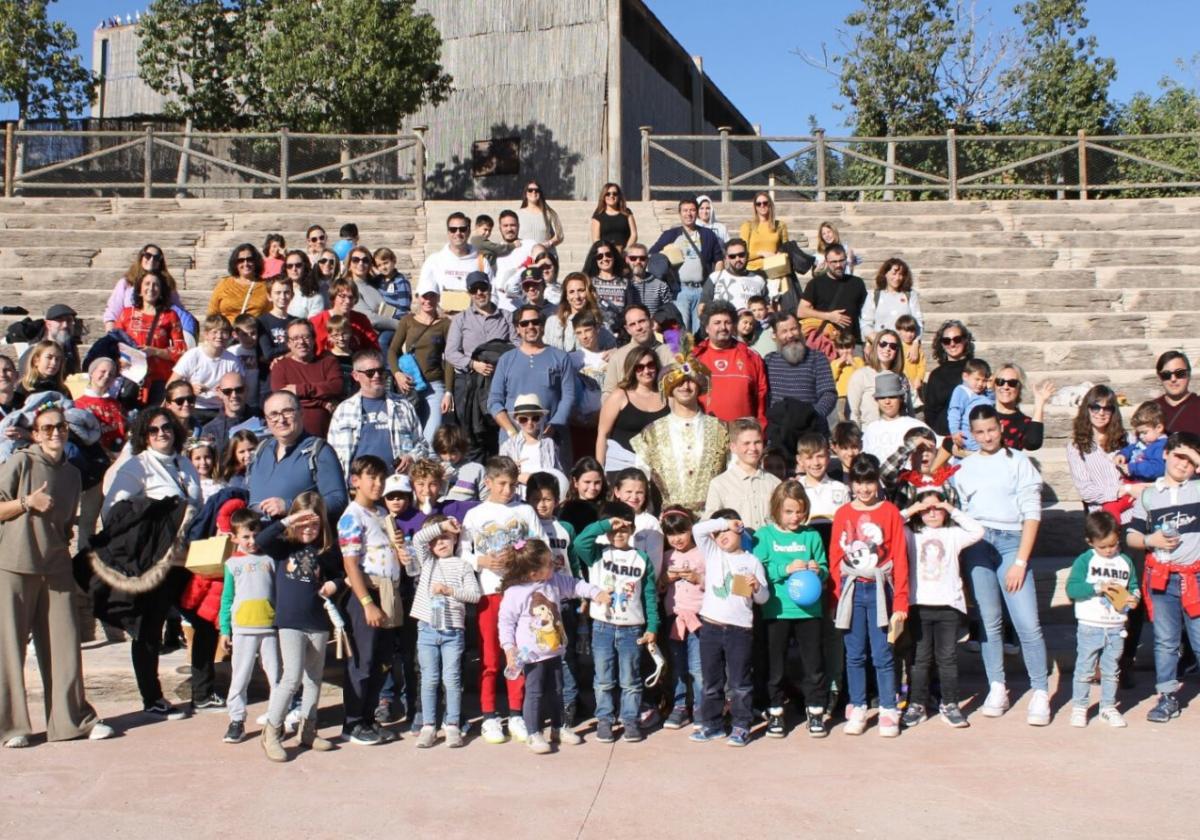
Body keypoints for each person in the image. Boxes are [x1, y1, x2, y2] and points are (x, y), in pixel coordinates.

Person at [0, 403, 113, 748]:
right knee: (9, 648)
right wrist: (25, 504)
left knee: (65, 645)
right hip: (14, 564)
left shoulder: (73, 474)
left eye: (60, 426)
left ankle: (72, 721)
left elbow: (66, 523)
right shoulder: (22, 461)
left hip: (56, 565)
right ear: (35, 434)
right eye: (47, 428)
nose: (55, 433)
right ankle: (12, 727)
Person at [101, 408, 203, 720]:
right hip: (154, 561)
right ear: (144, 436)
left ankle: (204, 688)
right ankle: (152, 696)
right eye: (154, 430)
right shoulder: (137, 466)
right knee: (149, 628)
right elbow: (112, 510)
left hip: (187, 558)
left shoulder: (184, 463)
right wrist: (163, 515)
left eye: (167, 428)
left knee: (203, 620)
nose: (162, 434)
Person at [952, 405, 1050, 725]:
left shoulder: (1019, 463)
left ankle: (1039, 690)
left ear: (1000, 428)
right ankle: (997, 685)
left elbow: (1032, 513)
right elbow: (960, 511)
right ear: (971, 433)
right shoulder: (964, 468)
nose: (986, 437)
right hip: (978, 545)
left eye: (991, 429)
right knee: (989, 621)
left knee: (1026, 622)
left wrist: (1021, 561)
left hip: (1011, 542)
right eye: (979, 432)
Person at [499, 538, 607, 753]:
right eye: (548, 563)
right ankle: (533, 732)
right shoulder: (515, 593)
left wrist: (596, 592)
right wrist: (509, 649)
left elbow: (576, 585)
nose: (554, 565)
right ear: (533, 573)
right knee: (535, 692)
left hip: (555, 650)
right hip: (530, 656)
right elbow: (505, 623)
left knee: (558, 690)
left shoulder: (554, 582)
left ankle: (558, 727)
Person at [461, 456, 541, 745]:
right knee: (491, 657)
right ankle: (489, 715)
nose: (508, 490)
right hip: (489, 594)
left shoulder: (525, 511)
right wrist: (481, 559)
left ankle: (517, 712)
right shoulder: (475, 515)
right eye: (502, 484)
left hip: (520, 594)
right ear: (488, 483)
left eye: (512, 484)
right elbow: (460, 552)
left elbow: (539, 544)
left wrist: (519, 555)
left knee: (517, 654)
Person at [256, 492, 341, 757]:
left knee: (314, 679)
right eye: (303, 524)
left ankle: (308, 730)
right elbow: (262, 539)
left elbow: (340, 573)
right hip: (290, 622)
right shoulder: (284, 546)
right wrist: (289, 520)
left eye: (314, 524)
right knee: (291, 677)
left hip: (316, 622)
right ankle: (272, 730)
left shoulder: (326, 550)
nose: (308, 530)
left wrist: (334, 584)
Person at [830, 454, 909, 737]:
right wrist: (838, 595)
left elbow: (899, 557)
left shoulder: (889, 512)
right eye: (858, 482)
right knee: (854, 654)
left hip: (880, 590)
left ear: (877, 482)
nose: (864, 489)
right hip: (852, 591)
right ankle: (858, 705)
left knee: (883, 653)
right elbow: (835, 557)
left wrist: (900, 600)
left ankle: (889, 708)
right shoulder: (842, 514)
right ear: (851, 483)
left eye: (869, 482)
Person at [898, 476, 984, 729]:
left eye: (937, 508)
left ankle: (950, 703)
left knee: (947, 658)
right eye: (927, 509)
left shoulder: (954, 534)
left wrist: (951, 509)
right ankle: (917, 703)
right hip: (920, 605)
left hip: (948, 606)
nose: (932, 513)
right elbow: (890, 524)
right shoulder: (911, 534)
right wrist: (912, 510)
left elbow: (978, 531)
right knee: (920, 659)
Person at [1126, 433, 1200, 723]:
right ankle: (1167, 696)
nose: (1184, 463)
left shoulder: (1197, 490)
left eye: (1192, 459)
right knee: (1165, 640)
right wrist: (1150, 538)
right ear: (1166, 454)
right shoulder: (1149, 495)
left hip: (1195, 575)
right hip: (1162, 578)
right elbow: (1131, 536)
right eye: (1180, 455)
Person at [573, 503, 659, 744]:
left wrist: (652, 626)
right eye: (614, 528)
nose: (618, 533)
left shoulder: (641, 558)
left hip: (632, 628)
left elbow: (649, 595)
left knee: (630, 678)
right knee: (603, 677)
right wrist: (605, 524)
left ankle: (630, 719)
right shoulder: (598, 553)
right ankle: (605, 719)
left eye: (624, 528)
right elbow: (580, 543)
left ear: (632, 529)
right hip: (602, 626)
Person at [754, 481, 829, 739]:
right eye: (788, 511)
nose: (795, 517)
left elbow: (824, 567)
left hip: (809, 612)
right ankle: (775, 711)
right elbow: (758, 572)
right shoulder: (765, 536)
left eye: (799, 511)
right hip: (777, 610)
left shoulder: (811, 536)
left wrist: (819, 571)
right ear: (776, 510)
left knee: (814, 664)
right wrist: (785, 570)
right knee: (776, 665)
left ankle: (816, 709)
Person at [338, 455, 404, 745]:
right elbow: (350, 563)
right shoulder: (352, 516)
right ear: (355, 482)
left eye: (381, 478)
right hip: (368, 592)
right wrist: (367, 602)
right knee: (362, 661)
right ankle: (352, 722)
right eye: (371, 478)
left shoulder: (380, 513)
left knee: (382, 660)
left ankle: (368, 717)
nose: (378, 484)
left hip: (389, 591)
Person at [689, 511, 768, 747]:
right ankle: (712, 725)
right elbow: (697, 530)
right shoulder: (713, 553)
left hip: (739, 630)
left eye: (727, 531)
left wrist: (756, 587)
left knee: (739, 683)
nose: (721, 535)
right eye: (718, 532)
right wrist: (724, 523)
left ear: (739, 530)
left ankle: (741, 726)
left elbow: (763, 598)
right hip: (711, 628)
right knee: (711, 681)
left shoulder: (751, 561)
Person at [410, 515, 482, 749]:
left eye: (446, 538)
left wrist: (450, 590)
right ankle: (428, 726)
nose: (440, 543)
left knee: (451, 679)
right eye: (436, 539)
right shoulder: (428, 561)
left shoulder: (463, 565)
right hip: (427, 629)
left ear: (455, 539)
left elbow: (475, 595)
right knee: (429, 679)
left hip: (453, 631)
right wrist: (441, 526)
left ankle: (451, 724)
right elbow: (419, 540)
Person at [1065, 510, 1140, 729]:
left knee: (1111, 669)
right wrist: (1098, 587)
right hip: (1091, 624)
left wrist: (1134, 598)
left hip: (1117, 626)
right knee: (1085, 668)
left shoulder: (1125, 561)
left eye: (1113, 545)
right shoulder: (1085, 560)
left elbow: (1134, 586)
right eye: (1103, 546)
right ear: (1090, 542)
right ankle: (1080, 707)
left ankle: (1108, 707)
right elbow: (1072, 589)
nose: (1109, 550)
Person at [632, 352, 729, 515]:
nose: (685, 387)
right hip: (670, 524)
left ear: (699, 386)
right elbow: (641, 480)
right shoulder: (652, 432)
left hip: (712, 519)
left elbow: (732, 475)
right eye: (679, 382)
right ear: (670, 387)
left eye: (691, 382)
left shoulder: (721, 428)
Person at [218, 509, 281, 748]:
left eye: (255, 535)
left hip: (269, 627)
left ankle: (276, 718)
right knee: (240, 677)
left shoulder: (270, 560)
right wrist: (225, 629)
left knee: (275, 676)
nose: (252, 541)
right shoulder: (232, 564)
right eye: (245, 537)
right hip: (243, 629)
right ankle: (236, 719)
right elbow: (227, 598)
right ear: (235, 538)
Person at [247, 391, 347, 522]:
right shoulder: (261, 450)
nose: (281, 420)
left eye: (287, 411)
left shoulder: (319, 451)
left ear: (301, 413)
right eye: (273, 414)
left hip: (298, 538)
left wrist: (290, 506)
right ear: (266, 419)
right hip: (257, 538)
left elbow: (337, 501)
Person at [328, 349, 429, 480]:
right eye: (370, 373)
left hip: (396, 489)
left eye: (380, 371)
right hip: (358, 491)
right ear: (355, 376)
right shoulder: (343, 411)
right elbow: (333, 457)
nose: (376, 375)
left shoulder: (403, 406)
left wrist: (412, 457)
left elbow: (422, 445)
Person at [488, 305, 576, 447]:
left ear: (542, 326)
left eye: (535, 322)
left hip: (552, 439)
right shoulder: (506, 359)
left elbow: (569, 397)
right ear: (517, 328)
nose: (530, 326)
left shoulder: (561, 357)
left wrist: (553, 426)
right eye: (524, 323)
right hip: (513, 441)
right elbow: (494, 401)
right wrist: (512, 432)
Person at [649, 198, 724, 335]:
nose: (689, 214)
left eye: (692, 210)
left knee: (700, 332)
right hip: (679, 291)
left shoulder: (707, 234)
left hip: (702, 290)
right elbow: (653, 254)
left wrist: (714, 282)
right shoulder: (670, 235)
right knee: (681, 332)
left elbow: (719, 259)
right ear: (680, 213)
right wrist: (667, 257)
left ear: (697, 213)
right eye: (685, 210)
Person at [388, 287, 453, 444]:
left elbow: (449, 358)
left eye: (432, 296)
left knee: (431, 436)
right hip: (411, 384)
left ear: (438, 298)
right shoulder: (408, 321)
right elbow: (392, 350)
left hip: (435, 385)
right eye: (424, 296)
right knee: (409, 434)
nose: (428, 301)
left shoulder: (445, 324)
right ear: (417, 298)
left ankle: (427, 467)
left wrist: (448, 392)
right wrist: (397, 373)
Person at [660, 508, 704, 730]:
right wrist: (666, 578)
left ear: (691, 530)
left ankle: (700, 707)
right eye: (671, 534)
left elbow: (714, 583)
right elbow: (658, 586)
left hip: (698, 618)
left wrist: (697, 578)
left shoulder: (703, 552)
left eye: (682, 532)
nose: (677, 538)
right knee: (677, 665)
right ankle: (679, 706)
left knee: (698, 667)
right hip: (675, 618)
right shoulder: (667, 557)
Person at [115, 271, 187, 404]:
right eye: (147, 284)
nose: (151, 288)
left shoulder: (170, 316)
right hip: (131, 375)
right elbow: (114, 342)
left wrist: (154, 351)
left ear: (161, 291)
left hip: (159, 378)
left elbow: (181, 350)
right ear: (140, 290)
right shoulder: (126, 314)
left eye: (156, 285)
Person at [695, 301, 767, 428]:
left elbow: (762, 399)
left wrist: (761, 431)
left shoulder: (751, 357)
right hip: (705, 436)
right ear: (706, 327)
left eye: (727, 323)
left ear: (733, 326)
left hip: (742, 437)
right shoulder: (694, 358)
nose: (723, 327)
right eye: (717, 323)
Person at [596, 347, 669, 473]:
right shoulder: (619, 396)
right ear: (632, 369)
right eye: (640, 367)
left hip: (659, 470)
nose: (646, 371)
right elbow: (603, 435)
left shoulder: (667, 396)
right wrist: (600, 471)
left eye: (650, 365)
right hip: (622, 467)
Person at [268, 319, 343, 438]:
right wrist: (322, 402)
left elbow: (336, 387)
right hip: (293, 437)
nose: (301, 342)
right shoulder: (280, 367)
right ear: (288, 343)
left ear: (313, 340)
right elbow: (282, 400)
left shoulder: (328, 362)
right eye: (295, 338)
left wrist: (299, 390)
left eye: (306, 337)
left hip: (329, 435)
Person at [1066, 385, 1129, 522]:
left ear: (1113, 412)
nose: (1101, 413)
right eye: (1095, 407)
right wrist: (1120, 491)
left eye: (1107, 408)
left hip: (1131, 512)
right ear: (1087, 409)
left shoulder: (1127, 440)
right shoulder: (1076, 447)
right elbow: (1086, 491)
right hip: (1101, 518)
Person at [763, 313, 838, 428]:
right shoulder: (769, 361)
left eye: (793, 329)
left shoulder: (817, 358)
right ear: (775, 335)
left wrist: (812, 416)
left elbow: (828, 394)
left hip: (812, 431)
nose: (790, 335)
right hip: (779, 430)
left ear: (800, 328)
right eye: (784, 331)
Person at [704, 418, 780, 528]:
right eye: (746, 443)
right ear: (733, 447)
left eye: (757, 442)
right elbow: (710, 523)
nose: (753, 448)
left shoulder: (775, 483)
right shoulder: (719, 484)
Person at [170, 315, 244, 424]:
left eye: (223, 332)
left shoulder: (233, 360)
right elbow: (171, 385)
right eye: (214, 332)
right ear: (206, 335)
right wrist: (190, 390)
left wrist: (227, 394)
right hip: (195, 408)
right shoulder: (193, 355)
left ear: (229, 336)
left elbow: (243, 388)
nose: (219, 336)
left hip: (222, 409)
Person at [418, 212, 493, 314]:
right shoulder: (433, 261)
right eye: (453, 229)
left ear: (469, 231)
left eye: (462, 229)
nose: (458, 233)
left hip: (473, 321)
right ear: (448, 232)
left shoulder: (481, 261)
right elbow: (421, 294)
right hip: (443, 321)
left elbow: (493, 293)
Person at [799, 243, 868, 349]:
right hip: (826, 343)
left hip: (852, 343)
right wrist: (829, 316)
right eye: (834, 262)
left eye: (841, 260)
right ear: (826, 262)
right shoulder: (815, 284)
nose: (838, 265)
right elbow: (801, 311)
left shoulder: (857, 283)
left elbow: (866, 313)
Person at [102, 245, 184, 333]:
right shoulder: (127, 283)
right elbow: (112, 312)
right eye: (148, 256)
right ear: (141, 257)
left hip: (157, 335)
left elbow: (179, 312)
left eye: (156, 258)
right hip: (129, 336)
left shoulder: (167, 285)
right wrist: (111, 337)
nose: (152, 260)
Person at [862, 372, 930, 462]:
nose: (887, 401)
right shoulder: (871, 429)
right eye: (882, 398)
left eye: (892, 397)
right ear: (876, 400)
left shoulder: (916, 426)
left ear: (901, 398)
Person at [846, 329, 909, 426]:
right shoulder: (861, 375)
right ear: (875, 346)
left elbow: (909, 409)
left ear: (897, 351)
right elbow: (854, 413)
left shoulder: (901, 377)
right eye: (883, 344)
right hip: (869, 434)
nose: (887, 348)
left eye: (893, 346)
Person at [342, 247, 399, 353]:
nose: (360, 263)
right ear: (349, 264)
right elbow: (370, 319)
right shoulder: (350, 288)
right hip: (367, 345)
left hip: (387, 336)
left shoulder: (375, 284)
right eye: (355, 260)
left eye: (365, 260)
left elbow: (387, 309)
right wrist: (400, 324)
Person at [924, 320, 975, 435]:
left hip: (975, 434)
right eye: (946, 341)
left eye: (957, 339)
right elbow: (930, 412)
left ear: (965, 340)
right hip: (945, 435)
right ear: (941, 344)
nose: (952, 344)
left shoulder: (976, 369)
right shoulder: (936, 375)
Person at [544, 272, 614, 353]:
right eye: (571, 292)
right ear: (566, 296)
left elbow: (613, 352)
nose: (577, 296)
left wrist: (613, 352)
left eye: (581, 290)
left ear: (589, 293)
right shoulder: (552, 322)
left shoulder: (601, 325)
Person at [993, 363, 1054, 451]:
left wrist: (1039, 404)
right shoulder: (983, 413)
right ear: (994, 385)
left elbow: (1033, 443)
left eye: (1012, 383)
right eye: (1000, 382)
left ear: (1019, 387)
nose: (1005, 387)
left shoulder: (1024, 422)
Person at [699, 237, 765, 319]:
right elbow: (702, 306)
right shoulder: (715, 277)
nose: (738, 259)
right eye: (732, 256)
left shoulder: (759, 280)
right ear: (726, 258)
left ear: (747, 255)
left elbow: (767, 307)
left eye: (741, 255)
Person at [860, 258, 924, 342]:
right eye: (894, 274)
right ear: (885, 274)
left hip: (904, 347)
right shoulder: (874, 296)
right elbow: (865, 324)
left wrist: (916, 343)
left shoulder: (910, 295)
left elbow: (918, 322)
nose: (897, 278)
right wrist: (877, 341)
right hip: (880, 347)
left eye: (900, 274)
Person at [200, 372, 260, 455]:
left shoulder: (262, 419)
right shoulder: (210, 430)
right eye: (227, 391)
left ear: (246, 389)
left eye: (239, 390)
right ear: (219, 392)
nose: (234, 395)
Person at [208, 244, 269, 320]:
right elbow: (212, 313)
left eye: (249, 259)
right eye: (241, 260)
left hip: (253, 331)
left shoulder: (265, 286)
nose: (245, 263)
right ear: (235, 263)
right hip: (227, 331)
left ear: (256, 261)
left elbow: (270, 315)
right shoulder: (224, 284)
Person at [947, 359, 995, 453]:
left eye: (984, 380)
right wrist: (954, 431)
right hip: (968, 439)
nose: (981, 384)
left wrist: (990, 389)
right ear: (965, 376)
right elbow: (954, 411)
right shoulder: (962, 391)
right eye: (977, 379)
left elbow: (992, 402)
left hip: (984, 437)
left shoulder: (983, 394)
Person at [582, 240, 629, 330]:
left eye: (608, 254)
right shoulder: (588, 283)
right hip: (595, 331)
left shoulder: (625, 282)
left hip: (620, 331)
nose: (605, 258)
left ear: (614, 256)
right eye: (600, 256)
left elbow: (629, 309)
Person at [1116, 402, 1168, 481]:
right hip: (1132, 480)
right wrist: (1123, 454)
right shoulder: (1146, 441)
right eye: (1139, 433)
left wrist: (1133, 468)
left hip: (1146, 486)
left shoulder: (1161, 447)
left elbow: (1157, 469)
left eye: (1144, 432)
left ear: (1159, 428)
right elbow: (1132, 447)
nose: (1141, 436)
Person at [738, 192, 788, 273]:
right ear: (755, 207)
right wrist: (761, 253)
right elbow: (741, 253)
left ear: (770, 204)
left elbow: (786, 248)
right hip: (752, 270)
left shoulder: (780, 225)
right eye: (758, 204)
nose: (762, 205)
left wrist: (780, 253)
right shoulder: (747, 226)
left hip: (773, 269)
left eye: (765, 203)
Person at [623, 243, 672, 319]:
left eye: (642, 258)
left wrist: (657, 321)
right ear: (627, 260)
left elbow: (669, 311)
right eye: (633, 258)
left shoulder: (660, 285)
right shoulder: (622, 284)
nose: (638, 261)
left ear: (647, 260)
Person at [13, 341, 67, 408]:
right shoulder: (25, 387)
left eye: (57, 359)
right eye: (49, 357)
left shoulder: (62, 389)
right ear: (36, 360)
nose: (54, 362)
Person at [517, 180, 564, 255]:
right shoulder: (518, 214)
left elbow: (560, 235)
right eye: (530, 190)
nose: (533, 192)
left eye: (536, 190)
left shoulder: (549, 213)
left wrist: (549, 243)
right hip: (524, 256)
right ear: (525, 193)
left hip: (545, 256)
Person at [591, 182, 637, 251]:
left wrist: (625, 251)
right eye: (608, 194)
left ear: (619, 196)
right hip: (606, 255)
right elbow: (596, 239)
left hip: (624, 253)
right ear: (603, 196)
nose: (611, 196)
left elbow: (634, 234)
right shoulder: (598, 214)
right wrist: (606, 251)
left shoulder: (627, 212)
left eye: (614, 194)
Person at [285, 252, 326, 320]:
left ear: (305, 267)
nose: (294, 269)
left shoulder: (314, 297)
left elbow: (313, 325)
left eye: (298, 265)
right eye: (290, 266)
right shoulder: (278, 291)